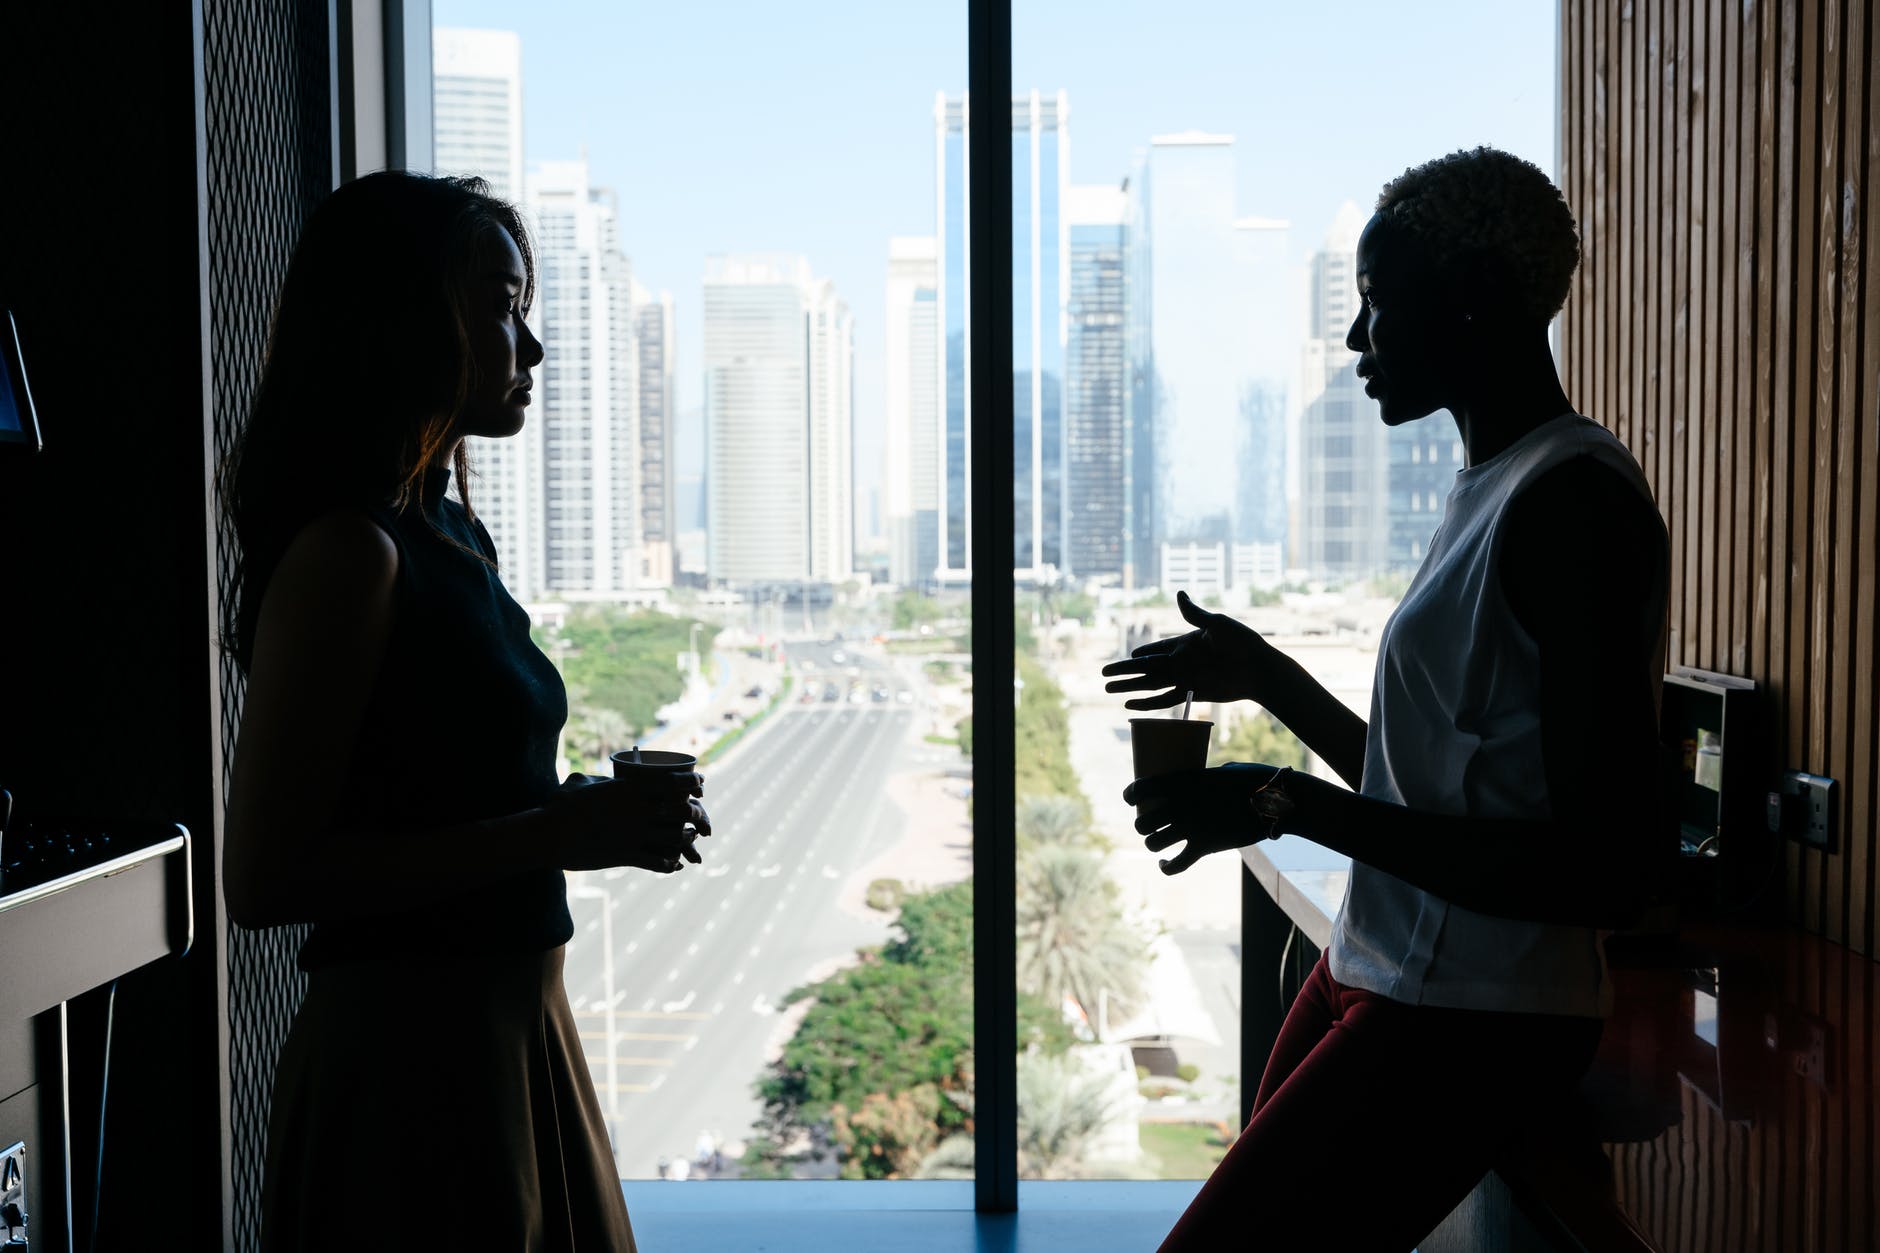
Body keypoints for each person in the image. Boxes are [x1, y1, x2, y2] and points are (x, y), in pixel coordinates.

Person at [1103, 147, 1669, 1251]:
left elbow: (1606, 868)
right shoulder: (1491, 485)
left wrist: (1281, 802)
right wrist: (1265, 675)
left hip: (1471, 1015)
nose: (1357, 341)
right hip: (1380, 968)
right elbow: (1430, 788)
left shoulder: (1573, 506)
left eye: (1375, 303)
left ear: (1467, 303)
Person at [220, 171, 708, 1252]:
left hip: (509, 1034)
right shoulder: (351, 556)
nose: (528, 348)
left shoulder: (448, 538)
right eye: (498, 304)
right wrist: (556, 833)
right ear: (400, 321)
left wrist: (569, 824)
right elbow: (264, 880)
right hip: (411, 1071)